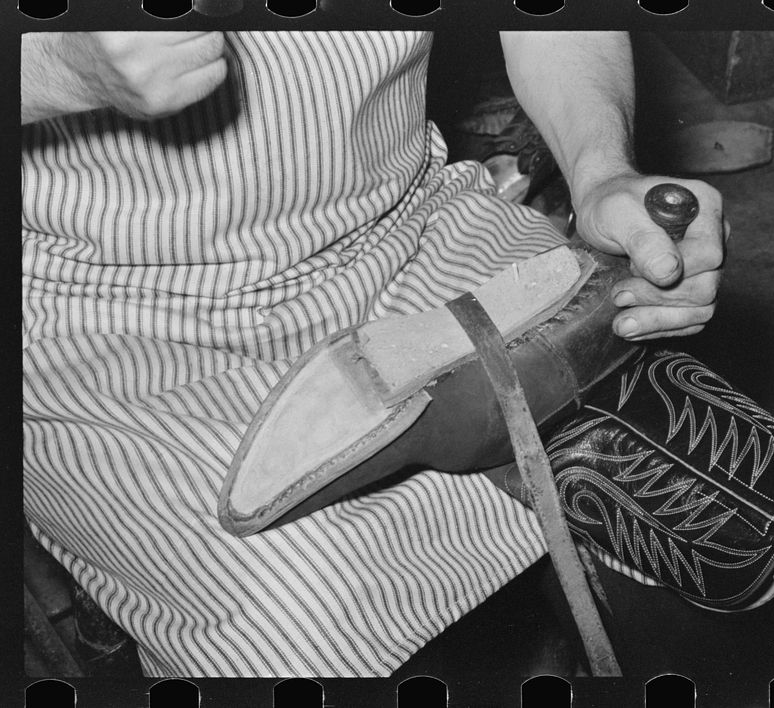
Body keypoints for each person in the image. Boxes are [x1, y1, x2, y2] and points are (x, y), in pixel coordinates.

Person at [21, 30, 727, 676]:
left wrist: (602, 170)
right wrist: (60, 65)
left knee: (704, 470)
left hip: (405, 224)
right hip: (107, 309)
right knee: (297, 620)